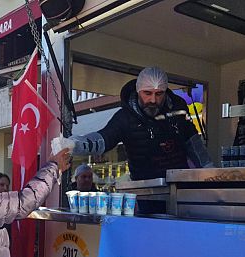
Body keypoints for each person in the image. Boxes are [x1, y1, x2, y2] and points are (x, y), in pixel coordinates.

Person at [69, 66, 213, 181]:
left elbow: (193, 142)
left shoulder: (178, 110)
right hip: (146, 189)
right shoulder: (124, 118)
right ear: (138, 92)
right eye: (147, 93)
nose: (153, 100)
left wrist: (209, 171)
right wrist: (72, 145)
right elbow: (104, 139)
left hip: (180, 184)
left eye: (159, 94)